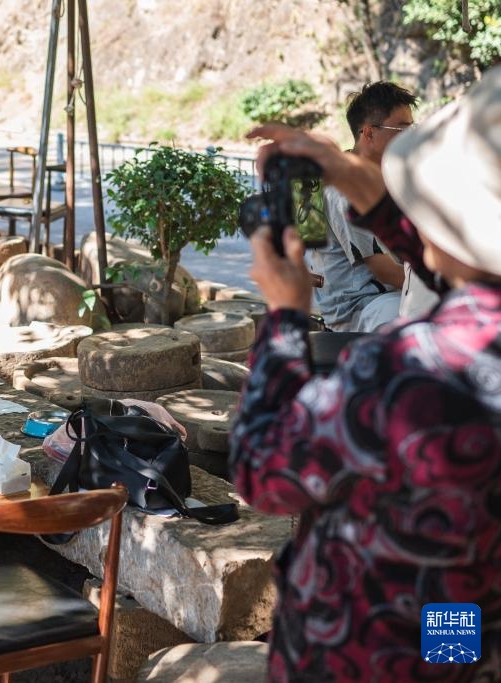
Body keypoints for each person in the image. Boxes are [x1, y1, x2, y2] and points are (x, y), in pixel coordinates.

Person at [230, 67, 501, 681]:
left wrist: (283, 321)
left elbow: (265, 472)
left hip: (365, 648)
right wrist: (361, 188)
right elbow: (457, 268)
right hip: (456, 614)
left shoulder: (415, 371)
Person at [308, 82, 413, 332]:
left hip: (387, 292)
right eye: (401, 129)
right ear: (368, 134)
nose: (410, 137)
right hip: (360, 305)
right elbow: (383, 270)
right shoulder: (347, 188)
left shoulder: (380, 175)